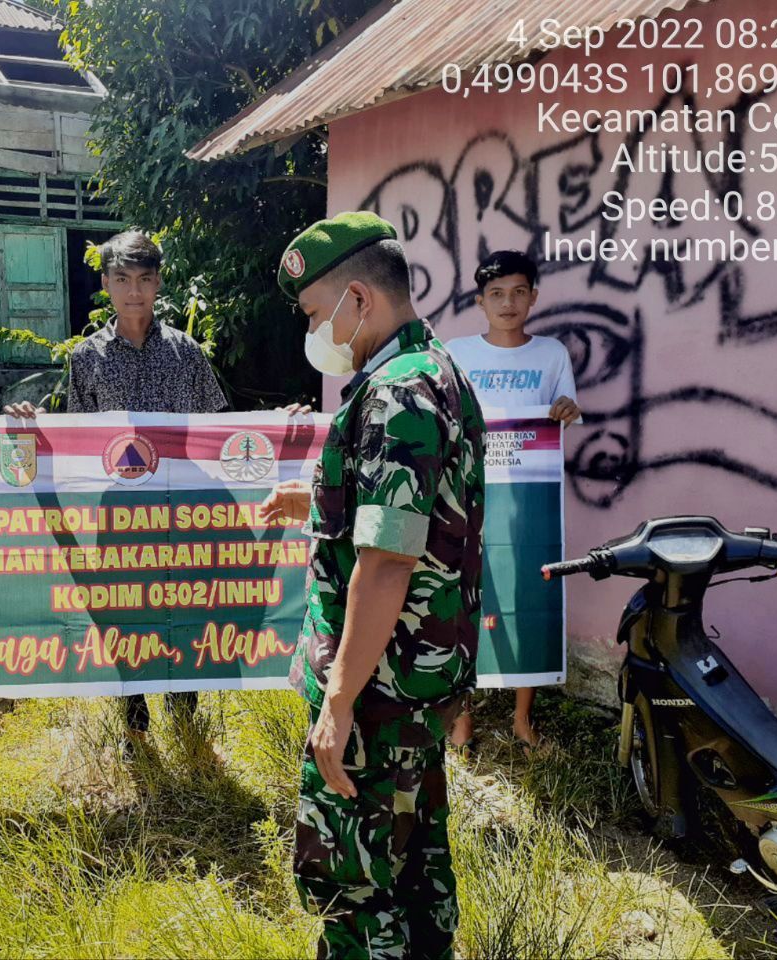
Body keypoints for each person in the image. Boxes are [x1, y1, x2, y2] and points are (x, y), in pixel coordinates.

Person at [259, 212, 486, 959]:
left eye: (316, 314)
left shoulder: (394, 393)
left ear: (359, 299)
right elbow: (418, 511)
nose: (316, 331)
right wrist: (320, 502)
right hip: (417, 685)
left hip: (379, 693)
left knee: (356, 889)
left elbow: (388, 562)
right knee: (416, 862)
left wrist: (339, 703)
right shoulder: (435, 370)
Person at [4, 230, 228, 749]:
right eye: (122, 279)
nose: (134, 292)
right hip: (116, 513)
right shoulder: (87, 357)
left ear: (158, 283)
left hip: (180, 512)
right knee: (122, 612)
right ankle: (134, 719)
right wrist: (32, 425)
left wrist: (282, 429)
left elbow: (219, 428)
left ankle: (185, 714)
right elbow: (78, 438)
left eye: (145, 279)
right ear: (105, 284)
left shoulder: (186, 353)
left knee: (181, 609)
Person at [444, 249, 581, 755]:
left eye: (519, 292)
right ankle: (461, 722)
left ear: (534, 298)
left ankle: (523, 720)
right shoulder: (456, 352)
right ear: (480, 301)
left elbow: (564, 411)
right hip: (466, 496)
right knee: (463, 601)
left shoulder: (552, 355)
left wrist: (566, 409)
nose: (509, 302)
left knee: (529, 595)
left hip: (529, 501)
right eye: (497, 294)